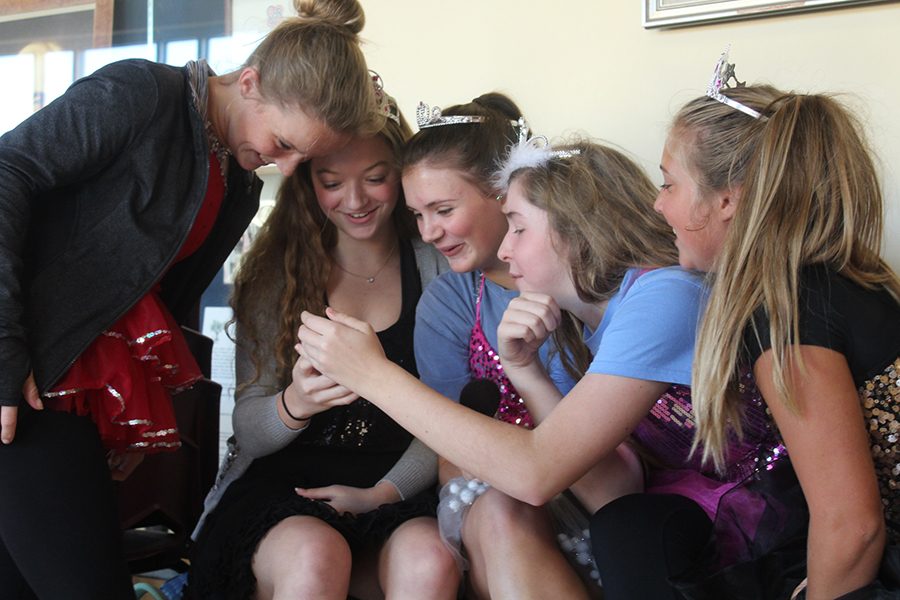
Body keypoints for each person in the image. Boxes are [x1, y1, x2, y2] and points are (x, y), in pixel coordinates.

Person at [0, 0, 378, 597]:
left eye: (300, 158)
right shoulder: (140, 93)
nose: (284, 165)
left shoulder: (239, 183)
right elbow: (7, 173)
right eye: (282, 143)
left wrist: (126, 419)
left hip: (77, 394)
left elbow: (153, 302)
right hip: (30, 372)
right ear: (249, 82)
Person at [299, 134, 706, 597]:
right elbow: (612, 494)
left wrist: (371, 375)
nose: (505, 250)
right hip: (642, 522)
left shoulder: (663, 295)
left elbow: (547, 476)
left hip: (721, 517)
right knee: (497, 511)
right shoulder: (585, 319)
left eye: (516, 226)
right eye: (417, 214)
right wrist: (525, 370)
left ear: (573, 227)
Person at [626, 52, 899, 598]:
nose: (657, 206)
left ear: (727, 199)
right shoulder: (838, 279)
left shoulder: (785, 312)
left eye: (668, 184)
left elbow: (853, 527)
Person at [187, 76, 459, 600]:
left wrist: (382, 493)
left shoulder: (436, 267)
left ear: (401, 177)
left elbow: (448, 422)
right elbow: (249, 429)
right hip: (283, 490)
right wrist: (295, 403)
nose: (354, 200)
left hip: (401, 483)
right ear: (308, 183)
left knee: (429, 559)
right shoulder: (276, 274)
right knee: (315, 557)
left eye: (376, 178)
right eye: (332, 182)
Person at [402, 94, 601, 598]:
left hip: (596, 484)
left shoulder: (585, 284)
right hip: (491, 491)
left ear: (504, 194)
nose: (429, 233)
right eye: (417, 215)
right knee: (501, 511)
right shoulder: (449, 302)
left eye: (444, 209)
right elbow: (450, 449)